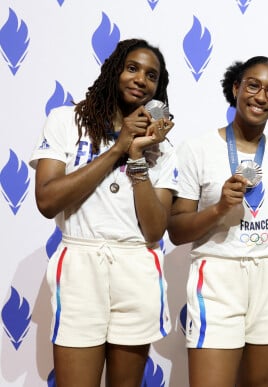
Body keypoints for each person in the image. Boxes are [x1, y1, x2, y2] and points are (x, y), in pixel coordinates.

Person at [29, 38, 177, 387]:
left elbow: (155, 230)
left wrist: (138, 156)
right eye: (132, 68)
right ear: (113, 71)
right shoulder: (67, 121)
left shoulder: (162, 150)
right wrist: (118, 149)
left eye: (151, 75)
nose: (141, 79)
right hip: (81, 264)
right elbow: (47, 201)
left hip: (136, 266)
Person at [167, 56, 268, 387]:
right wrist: (219, 208)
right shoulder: (197, 149)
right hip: (218, 278)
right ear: (235, 88)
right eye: (253, 85)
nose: (261, 96)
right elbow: (176, 231)